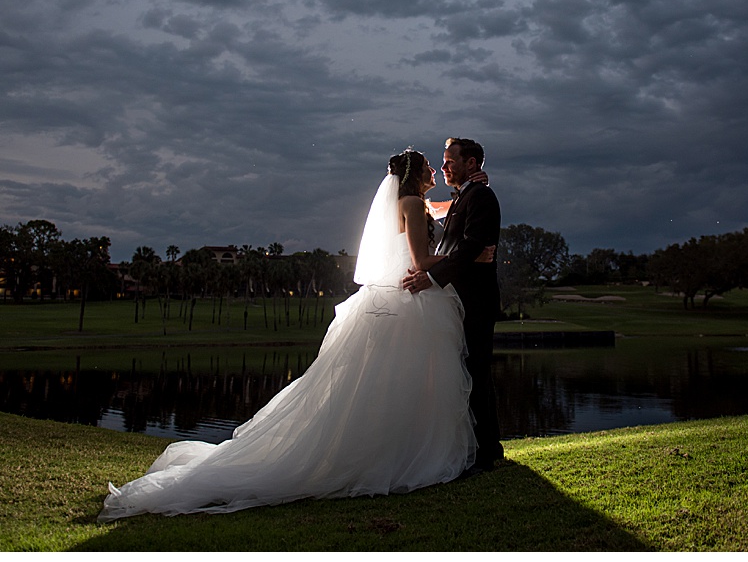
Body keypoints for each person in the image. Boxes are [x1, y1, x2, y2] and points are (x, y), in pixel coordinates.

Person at [98, 149, 476, 520]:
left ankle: (394, 453)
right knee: (393, 384)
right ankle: (397, 458)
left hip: (393, 303)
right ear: (414, 174)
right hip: (405, 302)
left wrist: (461, 196)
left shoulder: (412, 203)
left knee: (383, 387)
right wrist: (469, 256)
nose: (435, 170)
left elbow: (439, 210)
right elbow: (422, 261)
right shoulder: (411, 204)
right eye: (429, 166)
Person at [403, 137, 503, 474]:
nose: (443, 167)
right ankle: (482, 447)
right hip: (456, 299)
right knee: (466, 373)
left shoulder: (481, 196)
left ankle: (486, 453)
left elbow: (473, 243)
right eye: (441, 162)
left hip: (476, 300)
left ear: (471, 164)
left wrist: (431, 277)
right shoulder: (465, 196)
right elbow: (458, 247)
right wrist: (430, 269)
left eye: (449, 161)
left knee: (476, 372)